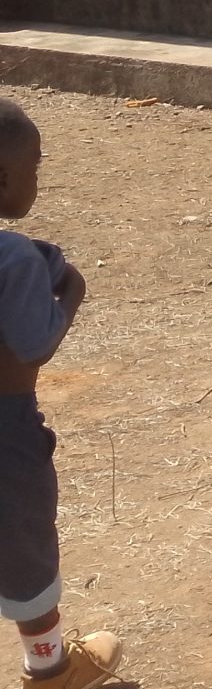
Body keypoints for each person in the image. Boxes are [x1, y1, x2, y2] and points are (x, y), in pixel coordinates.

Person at [1, 101, 123, 689]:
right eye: (35, 167)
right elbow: (33, 345)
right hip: (5, 435)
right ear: (3, 177)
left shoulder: (19, 254)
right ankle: (51, 671)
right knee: (23, 546)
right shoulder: (14, 259)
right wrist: (72, 289)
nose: (37, 179)